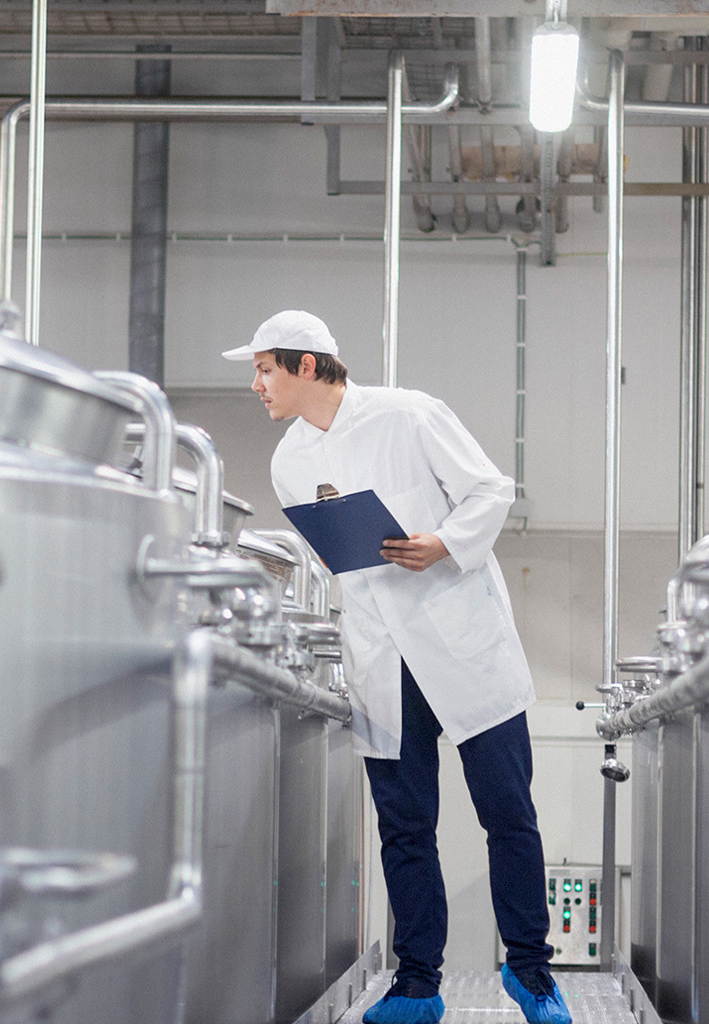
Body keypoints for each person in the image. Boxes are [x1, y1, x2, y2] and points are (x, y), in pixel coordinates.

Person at [224, 311, 570, 1024]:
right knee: (404, 828)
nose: (256, 385)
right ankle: (417, 985)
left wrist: (442, 542)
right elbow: (326, 554)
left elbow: (490, 489)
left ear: (307, 365)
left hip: (461, 641)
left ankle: (532, 975)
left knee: (508, 815)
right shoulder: (288, 461)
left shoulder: (409, 415)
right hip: (381, 655)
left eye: (264, 369)